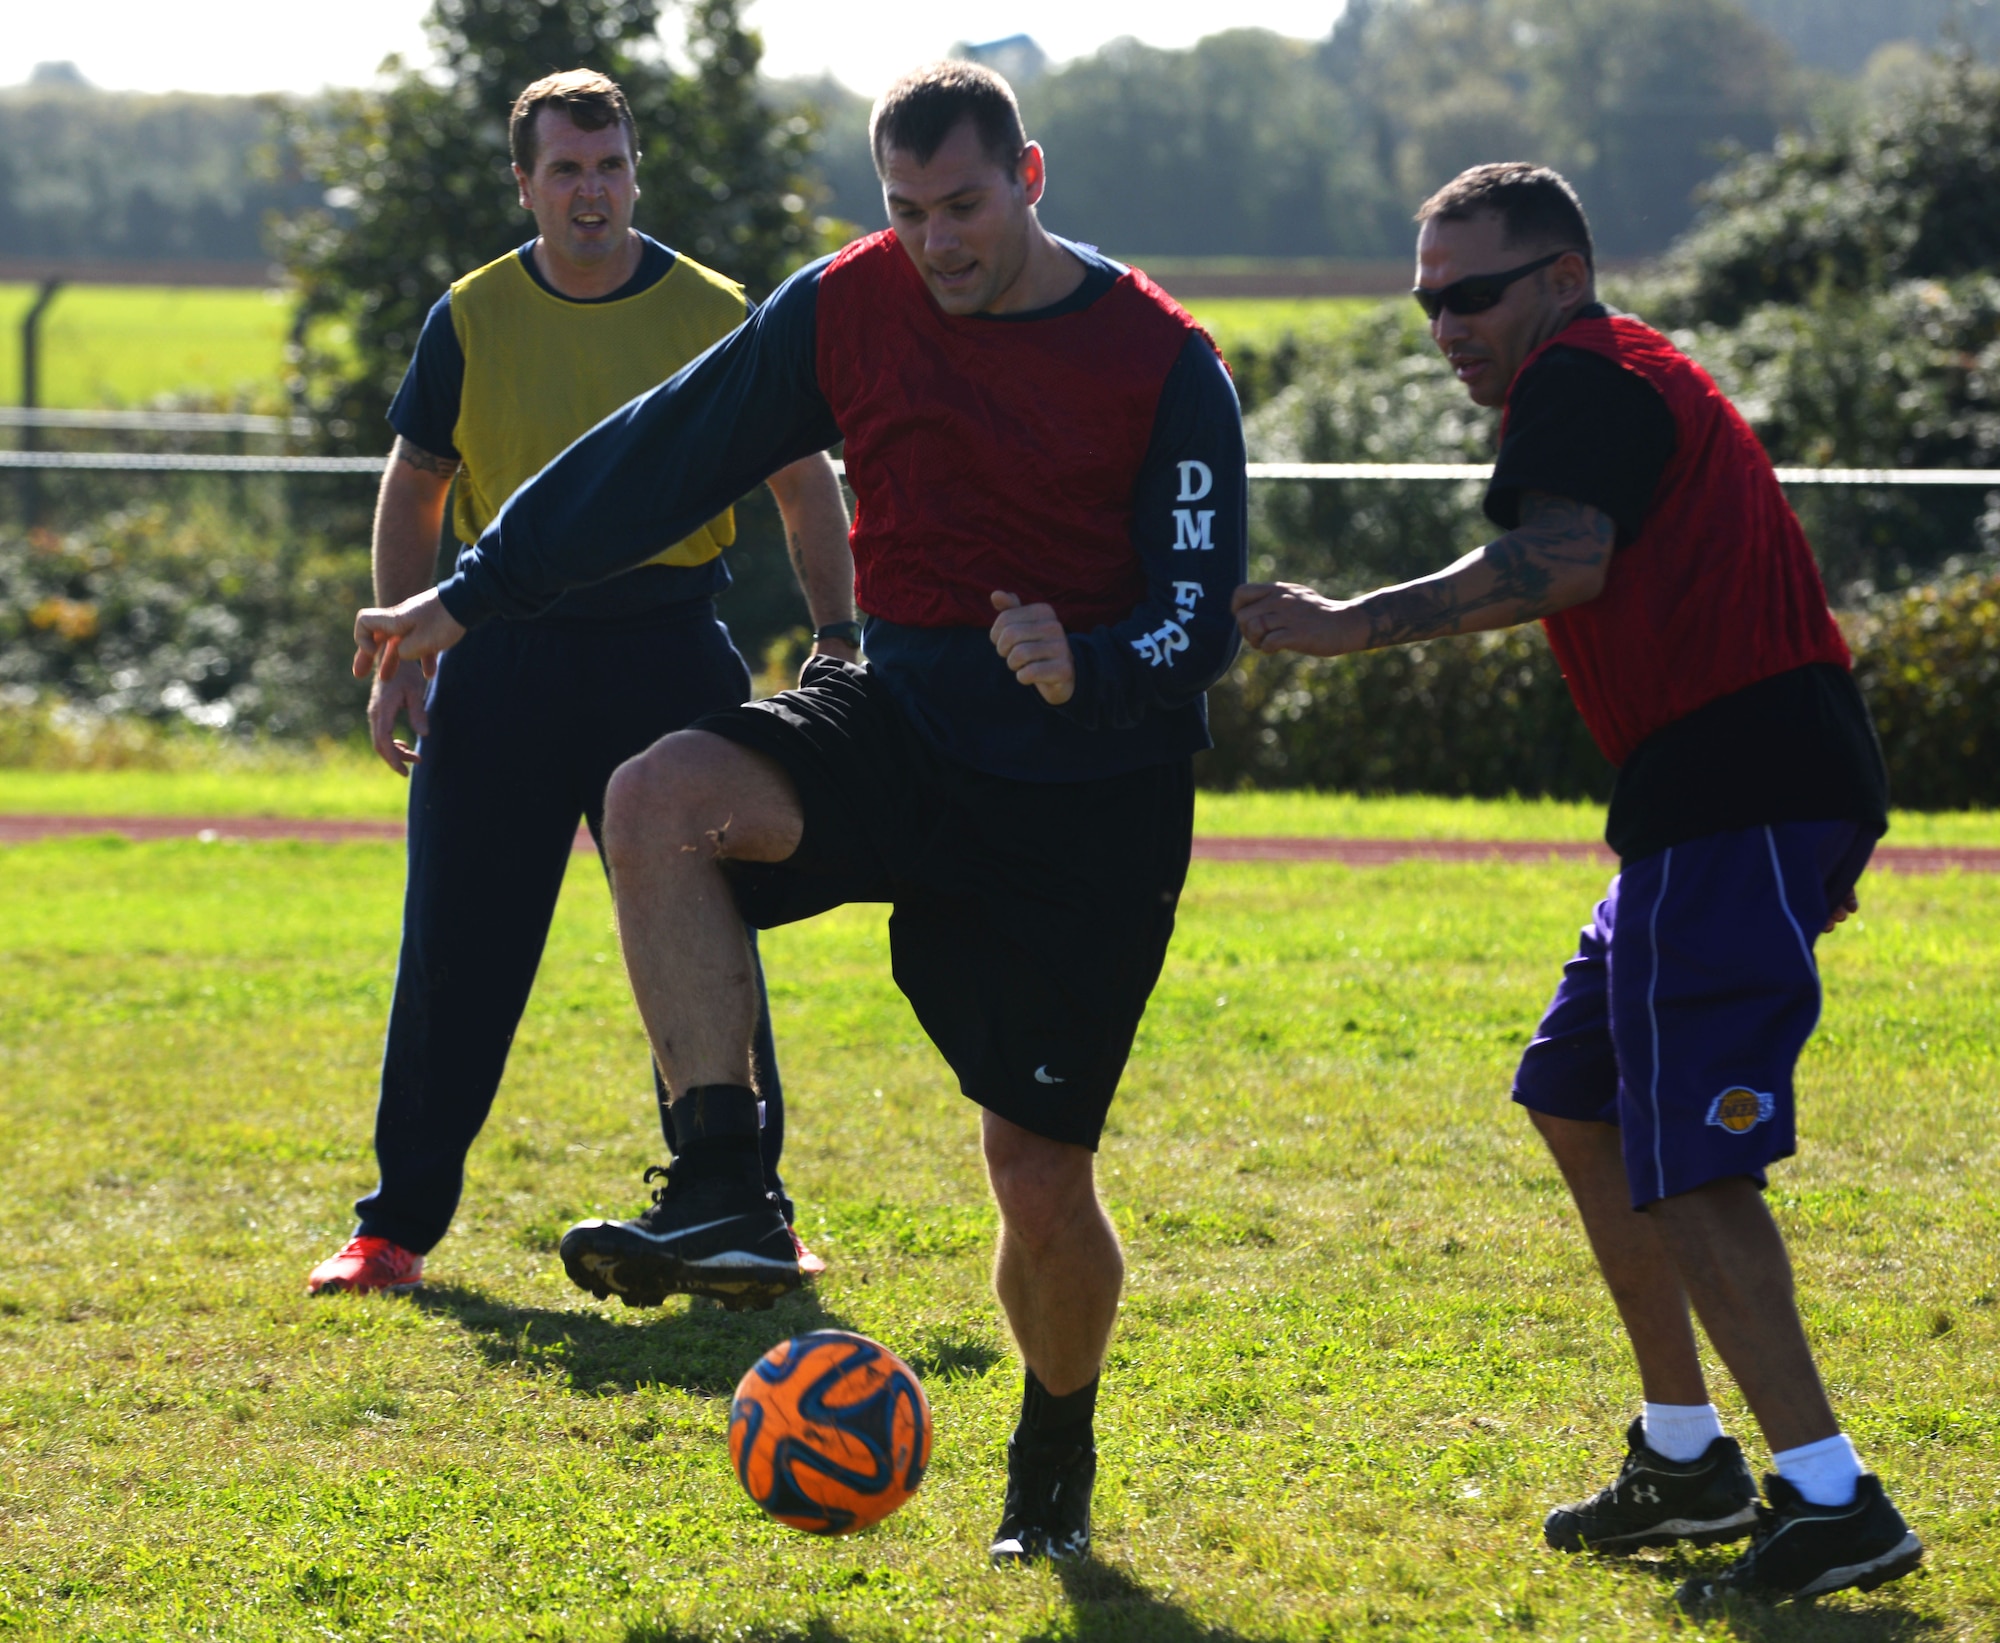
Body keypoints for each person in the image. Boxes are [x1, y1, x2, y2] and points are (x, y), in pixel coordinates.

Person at [348, 60, 1244, 1562]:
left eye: (963, 205)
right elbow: (659, 452)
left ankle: (1052, 1445)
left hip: (1086, 789)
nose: (937, 241)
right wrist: (462, 598)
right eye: (905, 209)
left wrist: (1084, 660)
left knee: (1034, 1171)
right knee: (660, 795)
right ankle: (724, 1186)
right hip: (901, 719)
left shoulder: (1163, 356)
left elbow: (1202, 617)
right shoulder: (847, 300)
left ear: (1031, 176)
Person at [1233, 163, 1921, 1608]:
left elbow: (1565, 560)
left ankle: (1832, 1494)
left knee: (1693, 1160)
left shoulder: (1584, 371)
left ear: (1559, 276)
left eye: (1472, 293)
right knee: (1581, 1092)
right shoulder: (1612, 371)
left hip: (1738, 788)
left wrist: (1346, 624)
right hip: (1706, 793)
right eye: (1427, 302)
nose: (1447, 327)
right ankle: (1687, 1458)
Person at [306, 69, 856, 1299]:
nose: (590, 191)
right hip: (500, 655)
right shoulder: (471, 313)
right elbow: (416, 485)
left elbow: (801, 479)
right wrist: (404, 655)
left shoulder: (715, 308)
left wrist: (837, 633)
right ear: (527, 184)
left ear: (633, 172)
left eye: (608, 166)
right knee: (455, 942)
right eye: (565, 170)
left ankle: (744, 1207)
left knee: (707, 932)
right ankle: (394, 1225)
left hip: (666, 650)